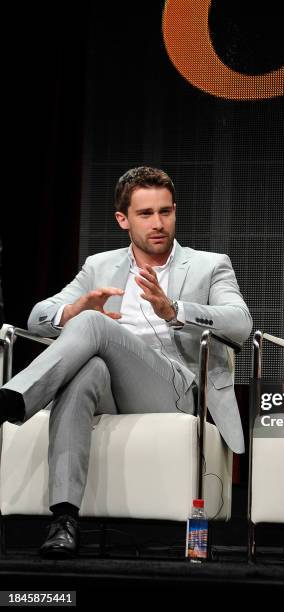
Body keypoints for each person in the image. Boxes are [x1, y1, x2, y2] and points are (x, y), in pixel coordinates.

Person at [0, 166, 252, 558]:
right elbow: (36, 317)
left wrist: (175, 310)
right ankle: (64, 520)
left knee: (93, 325)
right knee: (87, 370)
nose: (158, 223)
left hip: (176, 389)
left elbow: (241, 323)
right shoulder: (99, 266)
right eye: (145, 214)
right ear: (123, 219)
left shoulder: (209, 264)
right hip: (112, 390)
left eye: (165, 212)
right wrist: (72, 309)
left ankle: (12, 400)